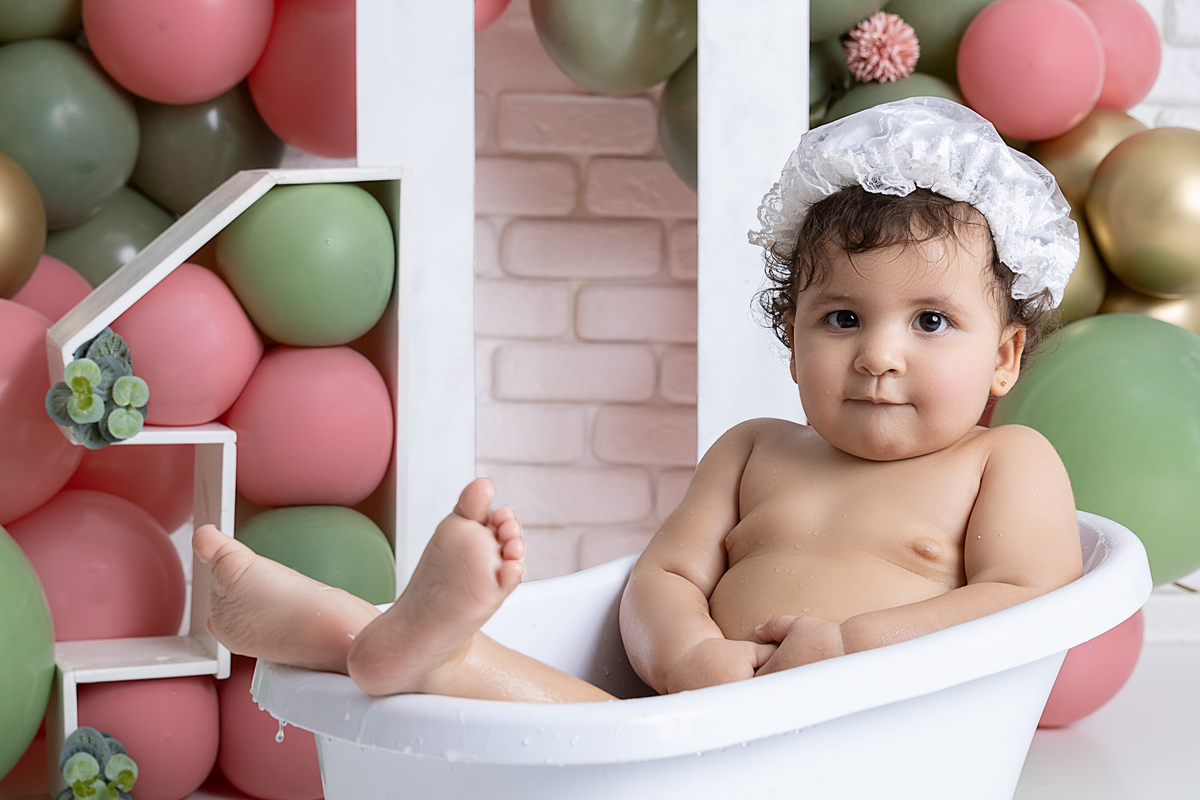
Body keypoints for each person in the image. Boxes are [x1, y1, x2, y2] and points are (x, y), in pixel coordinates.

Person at [193, 97, 1084, 702]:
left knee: (575, 733)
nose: (877, 357)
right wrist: (690, 655)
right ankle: (390, 636)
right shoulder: (754, 451)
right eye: (842, 317)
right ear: (793, 339)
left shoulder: (1001, 462)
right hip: (689, 719)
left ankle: (376, 639)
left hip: (864, 729)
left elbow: (1028, 596)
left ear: (1005, 357)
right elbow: (662, 579)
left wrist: (856, 647)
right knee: (578, 724)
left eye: (930, 322)